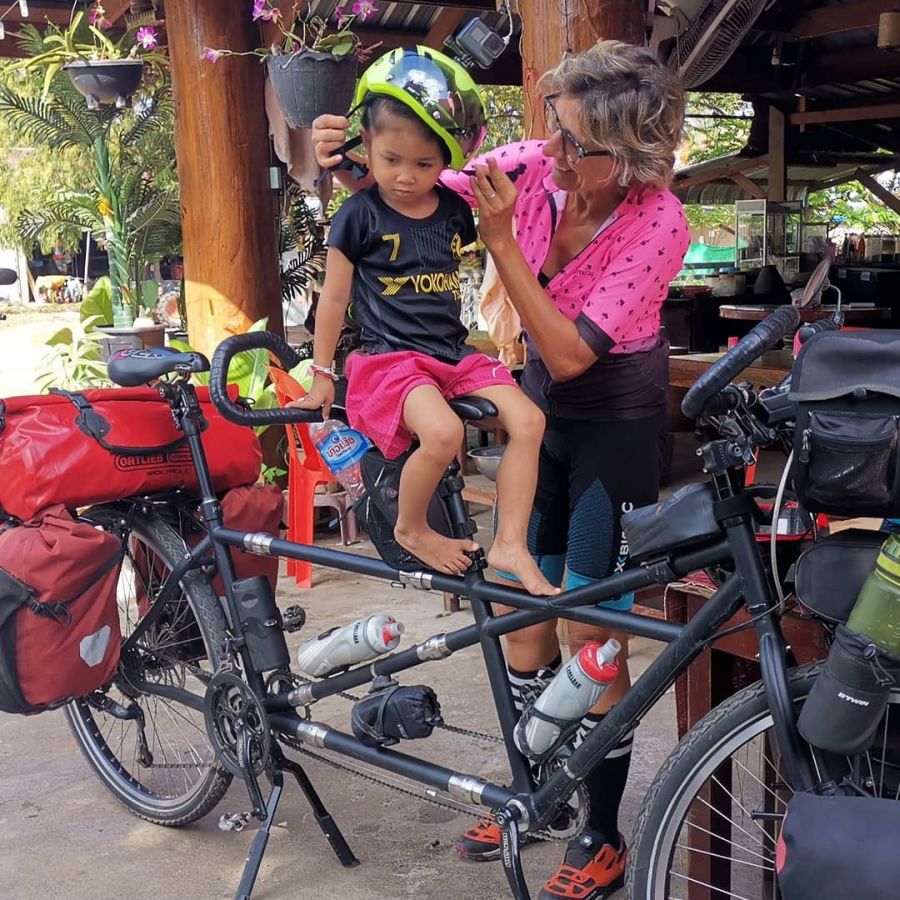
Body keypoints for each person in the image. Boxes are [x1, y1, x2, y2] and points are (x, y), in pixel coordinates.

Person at [312, 39, 688, 899]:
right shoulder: (533, 164)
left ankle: (599, 830)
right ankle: (536, 795)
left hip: (612, 420)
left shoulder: (659, 220)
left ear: (627, 156)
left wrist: (500, 243)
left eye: (573, 144)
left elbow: (568, 352)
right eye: (551, 131)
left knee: (591, 632)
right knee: (524, 614)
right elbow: (409, 193)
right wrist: (345, 161)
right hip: (537, 410)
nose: (548, 154)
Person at [295, 47, 557, 596]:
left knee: (530, 422)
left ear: (446, 163)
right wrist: (322, 373)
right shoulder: (358, 214)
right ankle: (410, 526)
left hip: (450, 353)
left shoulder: (457, 212)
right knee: (444, 433)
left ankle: (510, 539)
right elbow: (335, 299)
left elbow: (521, 191)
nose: (406, 177)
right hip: (390, 358)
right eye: (390, 160)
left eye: (424, 164)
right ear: (364, 147)